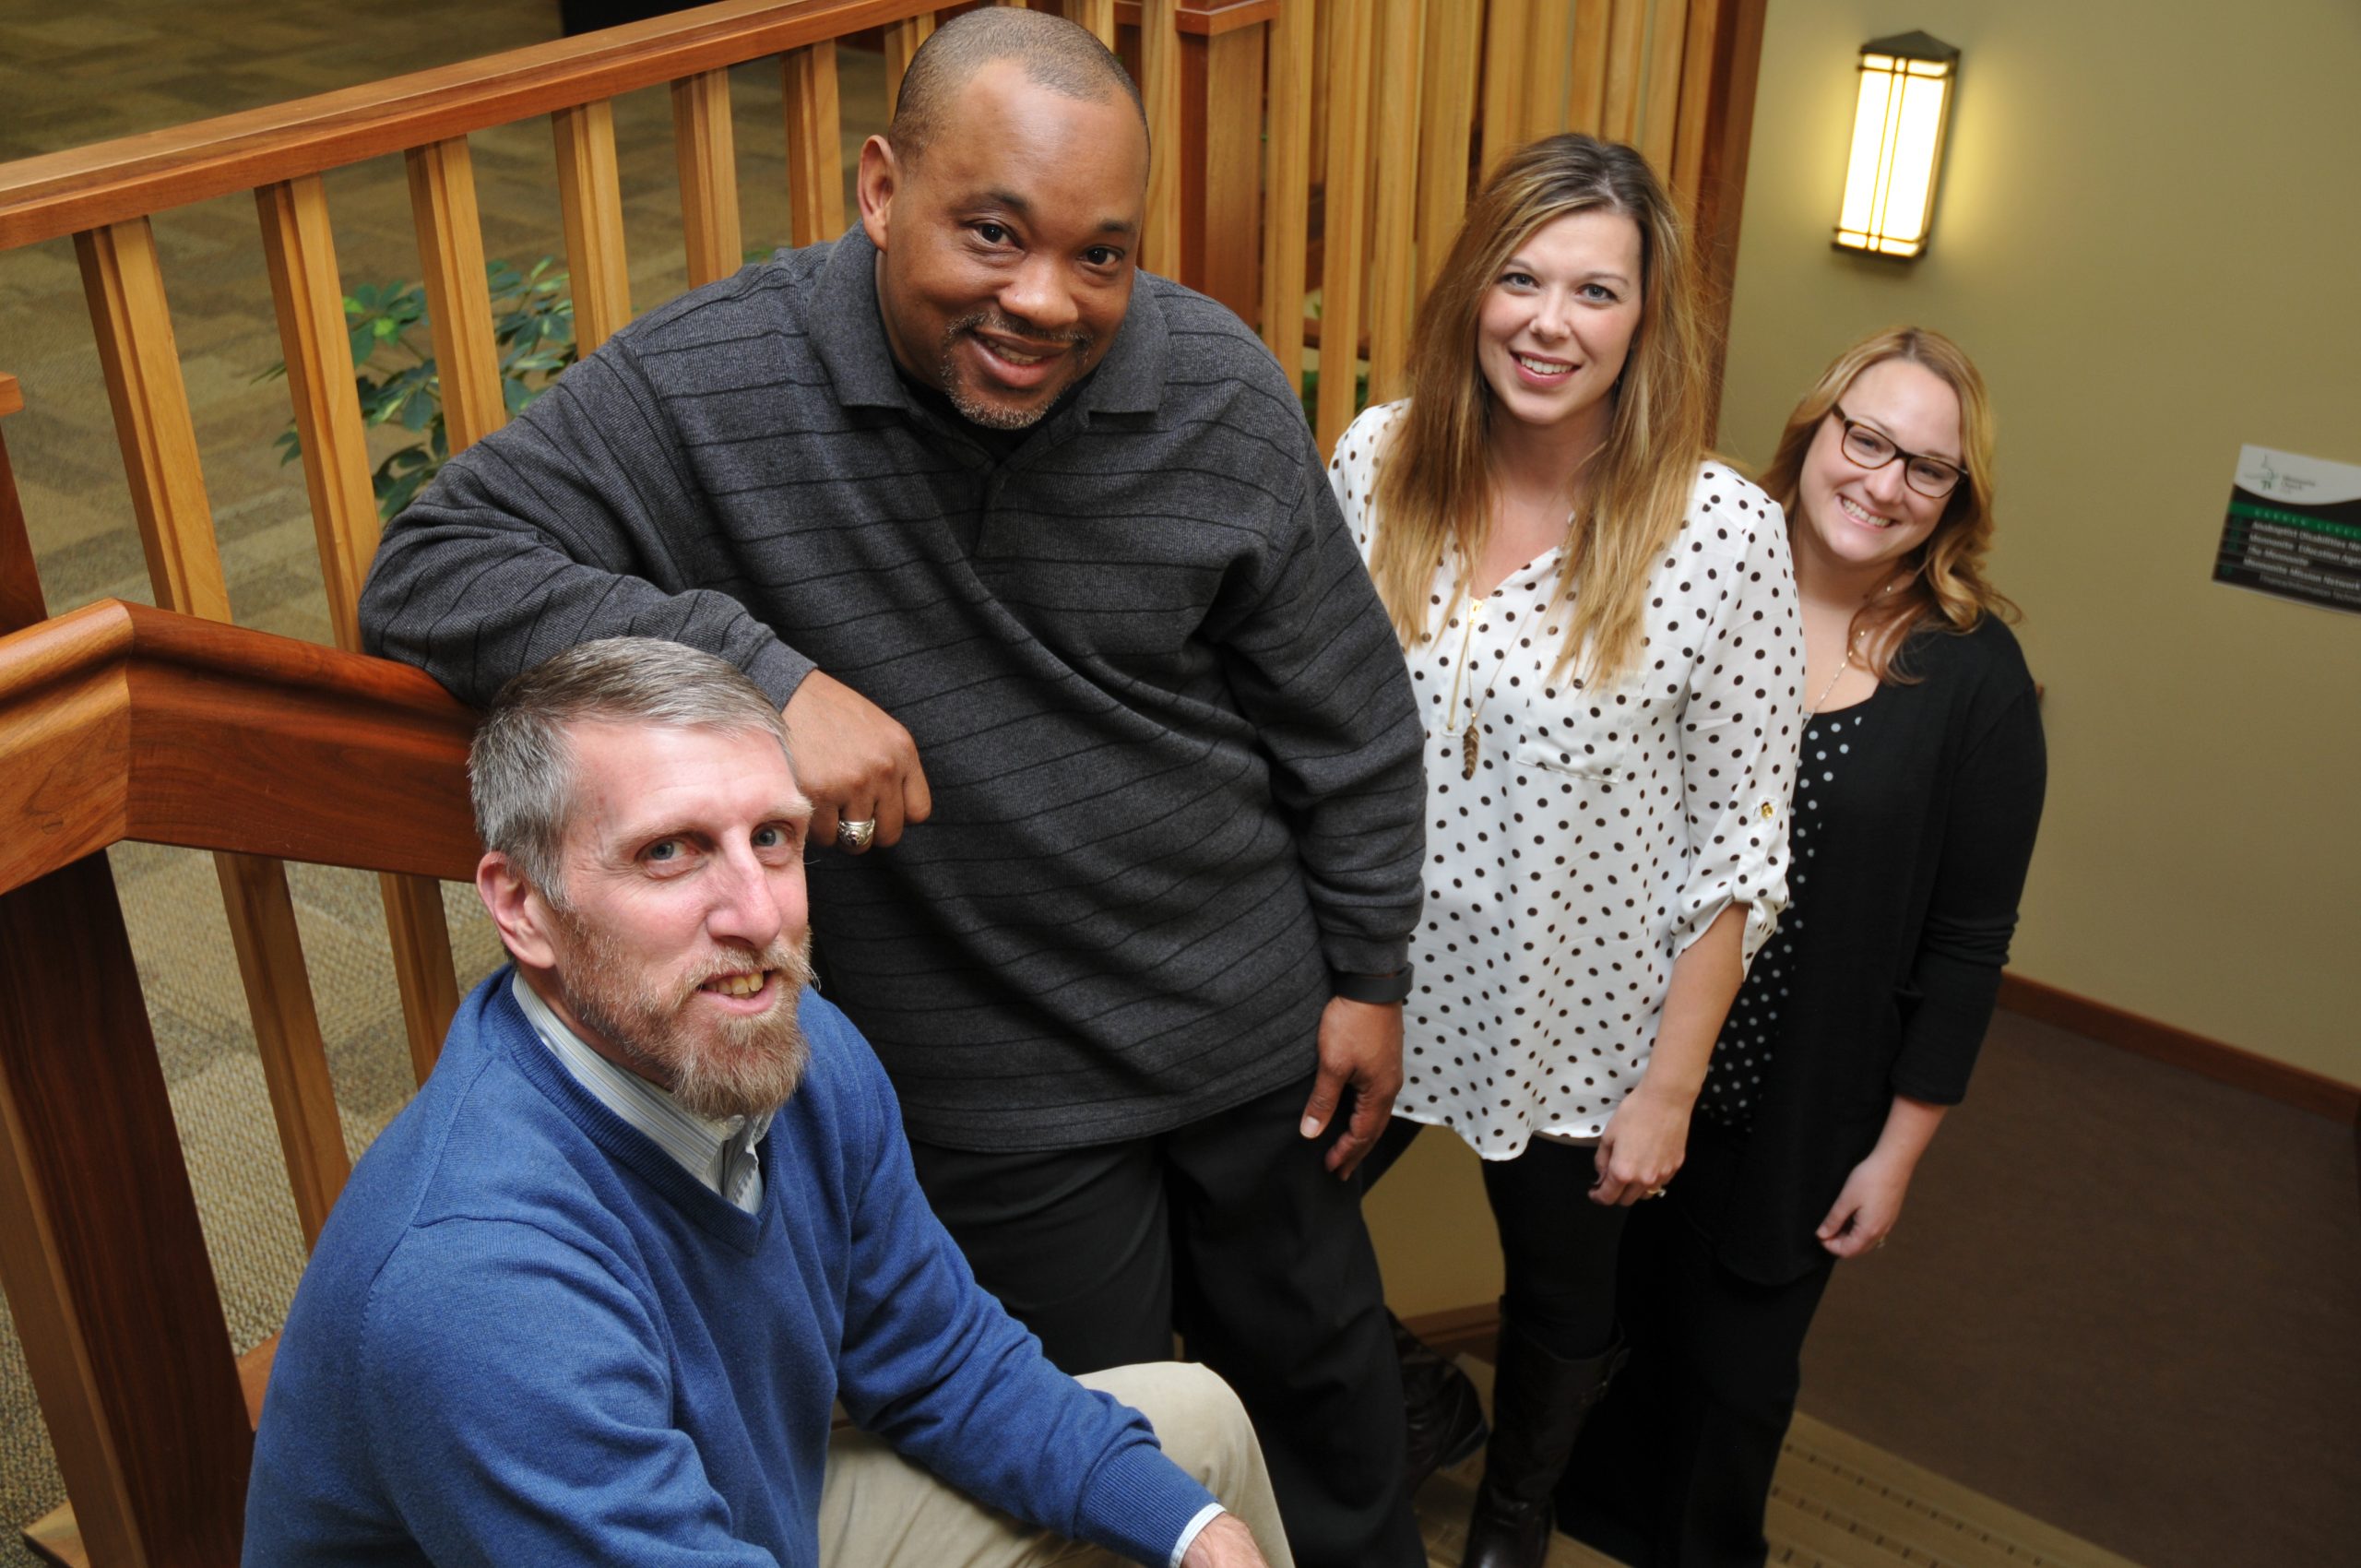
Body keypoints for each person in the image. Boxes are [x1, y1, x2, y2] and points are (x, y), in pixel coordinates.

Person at [353, 11, 1429, 1565]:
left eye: (1101, 257)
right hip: (990, 1073)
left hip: (1248, 1019)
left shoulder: (1213, 385)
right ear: (880, 189)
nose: (1045, 301)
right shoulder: (715, 383)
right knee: (1096, 1461)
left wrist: (1368, 974)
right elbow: (435, 572)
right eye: (992, 234)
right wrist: (765, 680)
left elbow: (1349, 719)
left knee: (1331, 1409)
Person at [243, 637, 1287, 1567]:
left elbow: (941, 1360)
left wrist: (1199, 1535)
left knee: (1189, 1435)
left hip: (736, 1518)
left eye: (774, 839)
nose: (756, 915)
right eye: (670, 849)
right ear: (524, 905)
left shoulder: (794, 1046)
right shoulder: (475, 1278)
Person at [1326, 134, 1803, 1568]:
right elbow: (1310, 729)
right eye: (1521, 279)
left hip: (1577, 1020)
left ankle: (1514, 1524)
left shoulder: (1722, 534)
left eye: (1596, 292)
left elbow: (1737, 841)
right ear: (1475, 288)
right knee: (1261, 1226)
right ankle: (1415, 1406)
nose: (1549, 322)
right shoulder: (1378, 457)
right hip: (1376, 982)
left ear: (1646, 319)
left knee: (1559, 1293)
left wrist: (1669, 1085)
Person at [1556, 327, 2047, 1567]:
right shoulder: (1700, 575)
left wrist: (1898, 1156)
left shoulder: (1977, 679)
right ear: (1814, 432)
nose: (1882, 484)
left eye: (1924, 469)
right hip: (1617, 1053)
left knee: (1731, 1391)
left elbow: (1970, 945)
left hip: (1793, 1101)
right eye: (1865, 440)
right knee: (1584, 1342)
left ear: (1956, 499)